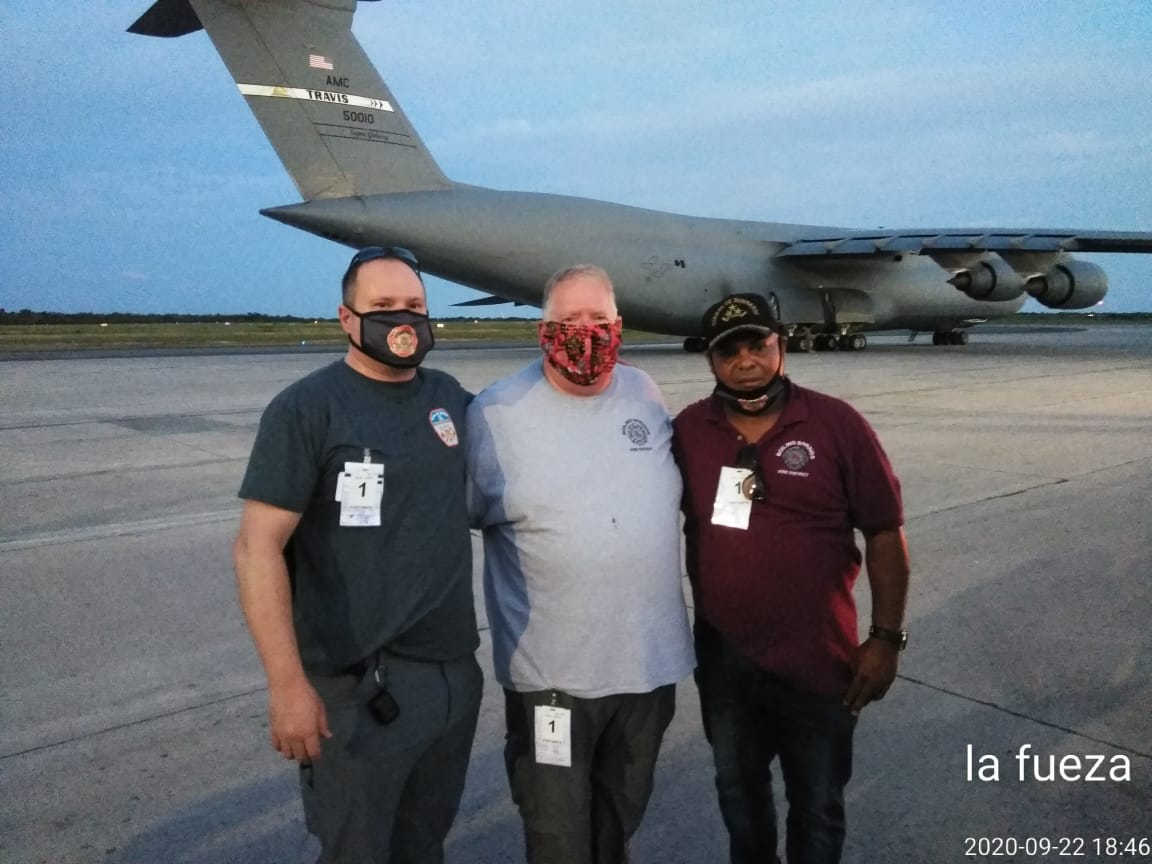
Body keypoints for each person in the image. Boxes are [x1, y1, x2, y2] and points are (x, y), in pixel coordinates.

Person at [232, 246, 482, 864]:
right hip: (358, 688)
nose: (403, 318)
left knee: (424, 842)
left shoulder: (447, 396)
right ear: (347, 318)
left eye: (415, 305)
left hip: (451, 674)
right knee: (357, 850)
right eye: (383, 305)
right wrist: (287, 685)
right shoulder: (307, 409)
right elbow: (256, 547)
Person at [465, 264, 695, 864]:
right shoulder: (496, 412)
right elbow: (451, 520)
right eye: (569, 320)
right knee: (559, 836)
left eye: (598, 318)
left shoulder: (644, 393)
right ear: (543, 330)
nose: (585, 332)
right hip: (553, 679)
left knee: (619, 822)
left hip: (648, 669)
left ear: (619, 324)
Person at [673, 294, 910, 864]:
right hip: (726, 664)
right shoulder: (688, 431)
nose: (746, 361)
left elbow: (884, 532)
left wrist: (885, 639)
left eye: (758, 344)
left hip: (820, 660)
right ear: (710, 360)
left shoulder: (836, 424)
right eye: (729, 351)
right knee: (741, 804)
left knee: (818, 807)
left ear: (781, 345)